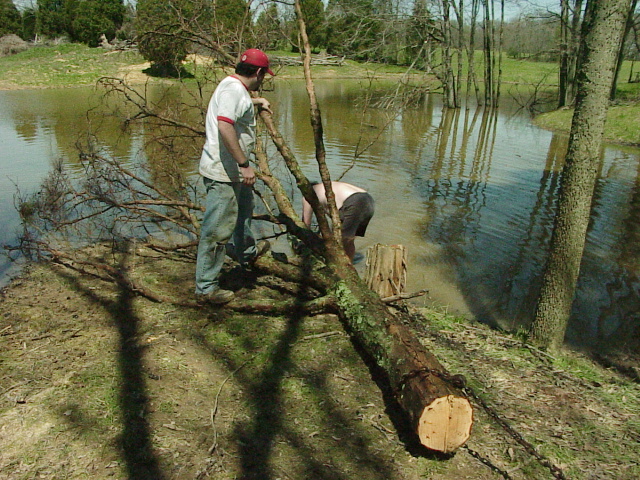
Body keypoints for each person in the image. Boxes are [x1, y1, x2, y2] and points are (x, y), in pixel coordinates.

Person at [195, 49, 274, 304]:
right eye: (264, 76)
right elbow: (225, 123)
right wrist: (244, 164)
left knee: (243, 214)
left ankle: (246, 254)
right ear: (259, 73)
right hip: (224, 172)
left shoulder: (234, 88)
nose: (263, 81)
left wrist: (257, 102)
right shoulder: (233, 90)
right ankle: (206, 289)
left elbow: (236, 107)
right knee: (216, 229)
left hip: (233, 173)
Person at [302, 181, 375, 262]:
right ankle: (348, 263)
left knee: (340, 240)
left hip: (354, 202)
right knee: (348, 240)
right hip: (368, 200)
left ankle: (340, 266)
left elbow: (306, 223)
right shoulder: (328, 185)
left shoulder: (309, 194)